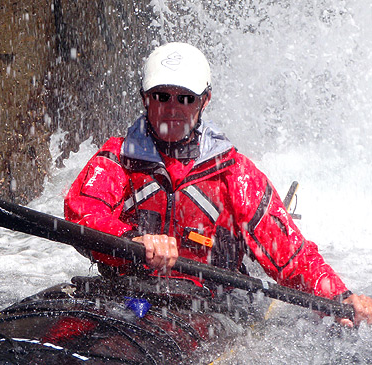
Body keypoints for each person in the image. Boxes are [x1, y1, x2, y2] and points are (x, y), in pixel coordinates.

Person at [64, 42, 372, 327]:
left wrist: (340, 298)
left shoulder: (234, 174)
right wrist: (133, 240)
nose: (173, 107)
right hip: (126, 292)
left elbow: (291, 255)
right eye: (162, 96)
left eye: (185, 98)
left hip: (207, 305)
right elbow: (82, 213)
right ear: (146, 98)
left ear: (204, 101)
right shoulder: (116, 159)